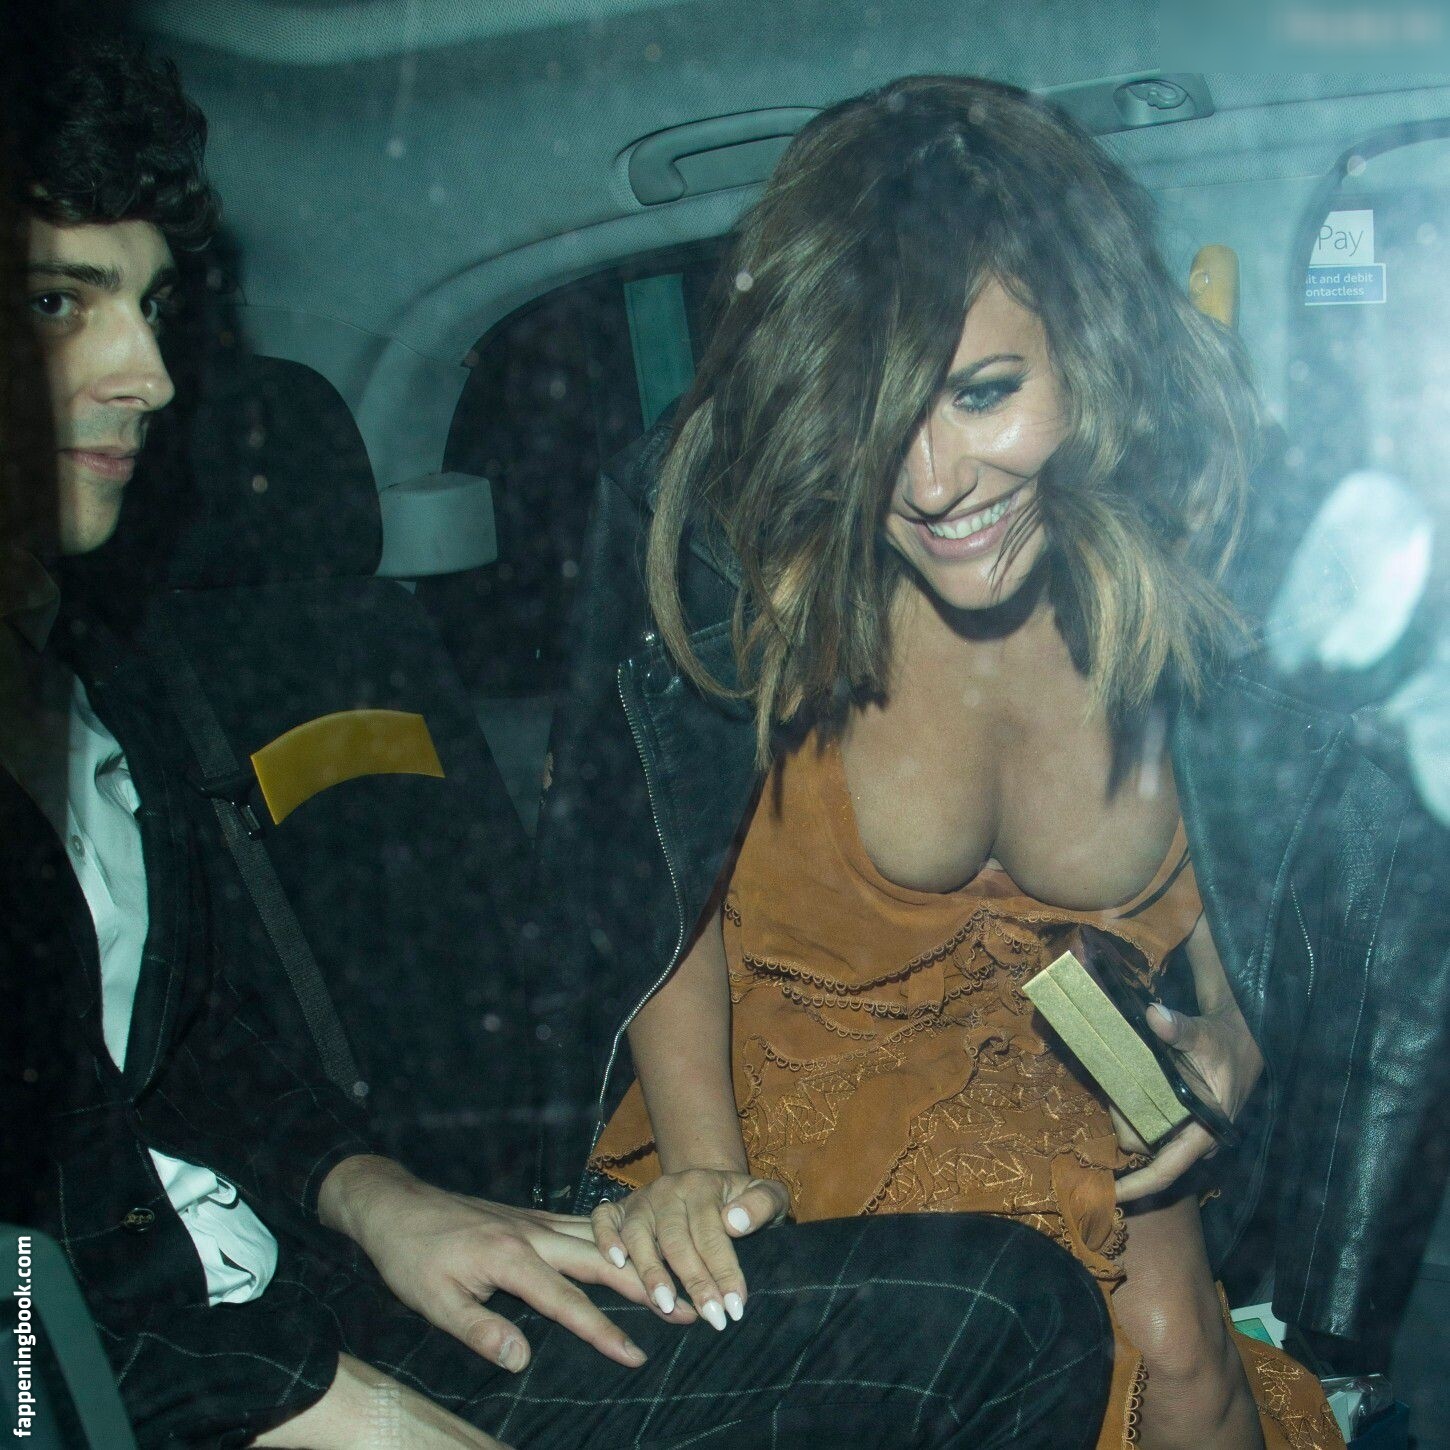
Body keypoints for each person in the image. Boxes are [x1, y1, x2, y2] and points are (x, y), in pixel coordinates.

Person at [0, 36, 1115, 1449]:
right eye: (58, 302)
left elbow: (167, 1047)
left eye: (151, 304)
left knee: (1008, 1312)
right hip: (121, 1388)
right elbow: (31, 1314)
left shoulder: (96, 680)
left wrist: (378, 1196)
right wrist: (328, 1407)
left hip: (303, 1292)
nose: (147, 371)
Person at [532, 75, 1441, 1450]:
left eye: (982, 393)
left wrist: (1236, 1032)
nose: (929, 481)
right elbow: (655, 892)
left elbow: (1303, 861)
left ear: (1090, 348)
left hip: (1083, 1047)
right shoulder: (739, 554)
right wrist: (707, 1173)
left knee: (1181, 1358)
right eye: (872, 409)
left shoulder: (1229, 539)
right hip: (789, 1062)